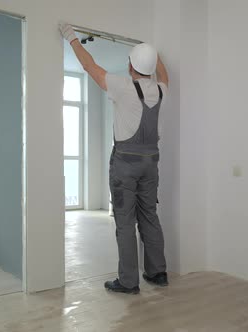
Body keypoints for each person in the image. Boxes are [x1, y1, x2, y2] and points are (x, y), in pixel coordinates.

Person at [60, 24, 169, 294]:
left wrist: (71, 37)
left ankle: (129, 282)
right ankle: (157, 273)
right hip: (151, 164)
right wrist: (154, 53)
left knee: (124, 221)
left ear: (130, 64)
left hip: (126, 165)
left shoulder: (123, 86)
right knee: (150, 216)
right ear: (152, 67)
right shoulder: (161, 90)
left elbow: (90, 67)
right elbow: (163, 73)